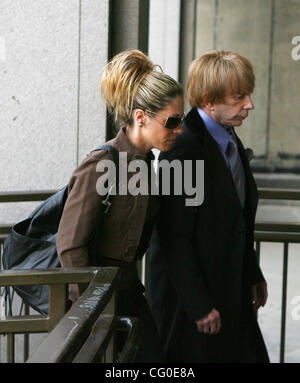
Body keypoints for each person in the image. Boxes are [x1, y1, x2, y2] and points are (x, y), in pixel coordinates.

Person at [56, 49, 184, 362]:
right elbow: (70, 246)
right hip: (96, 300)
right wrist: (90, 310)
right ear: (141, 117)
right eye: (173, 121)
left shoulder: (146, 166)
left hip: (128, 292)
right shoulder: (102, 163)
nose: (180, 130)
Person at [149, 50, 270, 363]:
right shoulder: (183, 146)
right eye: (239, 97)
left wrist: (252, 271)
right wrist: (199, 305)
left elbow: (236, 216)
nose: (250, 105)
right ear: (208, 99)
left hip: (230, 292)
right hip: (194, 309)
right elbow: (173, 236)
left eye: (249, 95)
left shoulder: (228, 137)